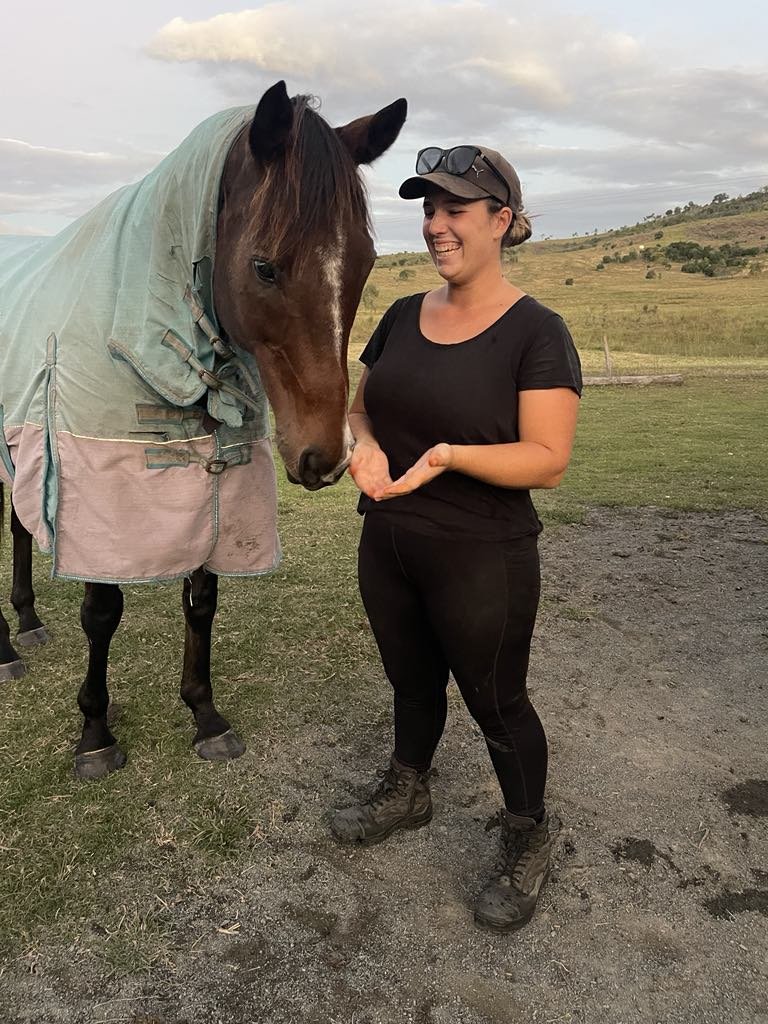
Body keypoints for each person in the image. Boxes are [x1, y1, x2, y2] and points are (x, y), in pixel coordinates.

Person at [330, 144, 582, 933]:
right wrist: (360, 443)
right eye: (428, 210)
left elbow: (548, 460)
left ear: (502, 222)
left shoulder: (537, 331)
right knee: (409, 683)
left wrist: (446, 456)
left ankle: (528, 833)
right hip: (390, 542)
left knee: (497, 702)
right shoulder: (404, 314)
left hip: (483, 556)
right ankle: (410, 788)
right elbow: (361, 406)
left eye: (455, 211)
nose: (436, 226)